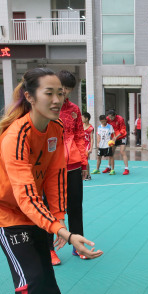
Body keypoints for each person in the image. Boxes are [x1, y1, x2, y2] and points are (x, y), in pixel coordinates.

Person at [0, 67, 103, 294]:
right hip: (7, 213)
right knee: (29, 279)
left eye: (60, 92)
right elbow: (24, 194)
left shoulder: (56, 128)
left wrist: (59, 220)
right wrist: (62, 229)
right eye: (49, 93)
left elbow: (54, 176)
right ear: (30, 97)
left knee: (44, 261)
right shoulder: (16, 135)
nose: (57, 99)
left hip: (37, 210)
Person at [55, 70, 88, 261]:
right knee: (49, 207)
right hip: (51, 166)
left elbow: (79, 137)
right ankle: (49, 249)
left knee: (75, 206)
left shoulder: (74, 109)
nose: (65, 92)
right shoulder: (46, 107)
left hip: (73, 165)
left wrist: (84, 163)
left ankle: (78, 245)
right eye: (62, 87)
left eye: (68, 89)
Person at [107, 109, 129, 175]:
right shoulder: (107, 119)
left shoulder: (120, 119)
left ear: (115, 116)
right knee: (111, 153)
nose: (110, 119)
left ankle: (126, 169)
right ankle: (109, 167)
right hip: (114, 138)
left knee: (122, 151)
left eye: (111, 117)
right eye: (109, 117)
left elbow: (123, 129)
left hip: (122, 136)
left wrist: (116, 137)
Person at [81, 111, 94, 181]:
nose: (81, 119)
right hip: (81, 144)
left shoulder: (90, 128)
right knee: (80, 160)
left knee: (85, 160)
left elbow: (92, 139)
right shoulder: (81, 125)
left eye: (82, 118)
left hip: (87, 145)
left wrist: (91, 148)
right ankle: (83, 174)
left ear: (87, 118)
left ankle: (88, 175)